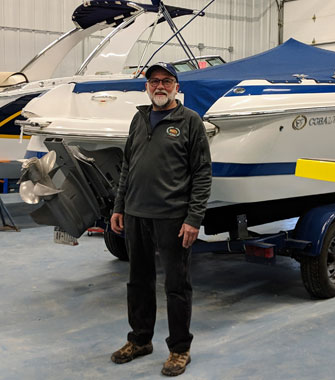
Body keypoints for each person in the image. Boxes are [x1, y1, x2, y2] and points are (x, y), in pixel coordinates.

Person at [109, 62, 212, 376]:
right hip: (136, 214)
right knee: (138, 282)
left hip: (172, 217)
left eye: (167, 81)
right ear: (147, 87)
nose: (160, 86)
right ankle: (140, 340)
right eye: (154, 81)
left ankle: (180, 349)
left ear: (177, 87)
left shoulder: (190, 122)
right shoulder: (139, 119)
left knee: (176, 286)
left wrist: (193, 218)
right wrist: (118, 206)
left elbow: (202, 174)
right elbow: (128, 166)